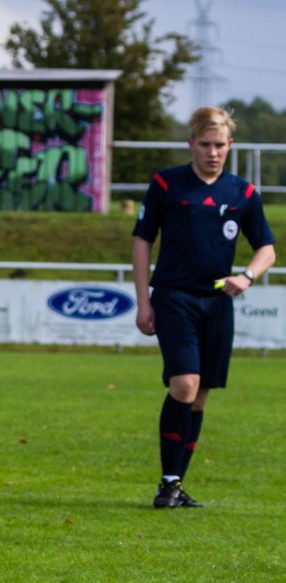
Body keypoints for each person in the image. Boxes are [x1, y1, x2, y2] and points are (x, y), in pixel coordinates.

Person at [131, 107, 276, 509]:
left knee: (200, 397)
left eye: (220, 145)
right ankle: (168, 482)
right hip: (174, 296)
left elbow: (267, 248)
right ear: (190, 143)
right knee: (185, 385)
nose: (213, 152)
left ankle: (174, 486)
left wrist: (246, 276)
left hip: (217, 302)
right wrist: (144, 300)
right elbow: (142, 240)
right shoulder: (166, 184)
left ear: (231, 145)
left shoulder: (242, 193)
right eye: (205, 144)